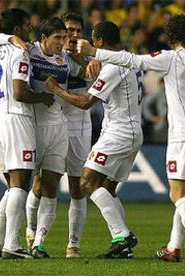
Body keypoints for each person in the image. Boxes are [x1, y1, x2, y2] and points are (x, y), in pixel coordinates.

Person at [77, 14, 185, 263]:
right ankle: (173, 247)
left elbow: (131, 59)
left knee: (178, 195)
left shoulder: (171, 58)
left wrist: (95, 52)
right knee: (184, 193)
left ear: (171, 36)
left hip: (182, 136)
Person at [0, 17, 86, 258]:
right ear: (43, 39)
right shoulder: (29, 51)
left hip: (58, 127)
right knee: (17, 186)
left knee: (50, 186)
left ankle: (38, 243)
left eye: (65, 38)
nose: (62, 42)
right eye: (57, 38)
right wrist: (12, 38)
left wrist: (85, 60)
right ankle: (9, 238)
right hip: (31, 126)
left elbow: (86, 69)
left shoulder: (66, 59)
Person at [45, 21, 142, 259]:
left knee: (86, 182)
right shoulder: (127, 59)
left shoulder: (113, 67)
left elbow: (86, 101)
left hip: (118, 133)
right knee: (107, 189)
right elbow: (94, 68)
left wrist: (56, 89)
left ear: (99, 42)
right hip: (132, 131)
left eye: (91, 40)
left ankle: (122, 235)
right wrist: (81, 59)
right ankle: (122, 246)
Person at [0, 8, 54, 259]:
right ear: (16, 30)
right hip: (17, 120)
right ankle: (12, 245)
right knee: (21, 183)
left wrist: (8, 38)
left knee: (13, 186)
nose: (29, 29)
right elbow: (20, 92)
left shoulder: (0, 50)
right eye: (26, 26)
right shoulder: (20, 53)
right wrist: (43, 97)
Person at [24, 12, 95, 259]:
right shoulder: (42, 52)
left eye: (76, 30)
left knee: (77, 186)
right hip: (49, 121)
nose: (72, 35)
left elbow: (93, 73)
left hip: (78, 126)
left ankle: (73, 244)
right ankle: (31, 232)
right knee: (39, 184)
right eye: (67, 31)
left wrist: (82, 56)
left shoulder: (86, 56)